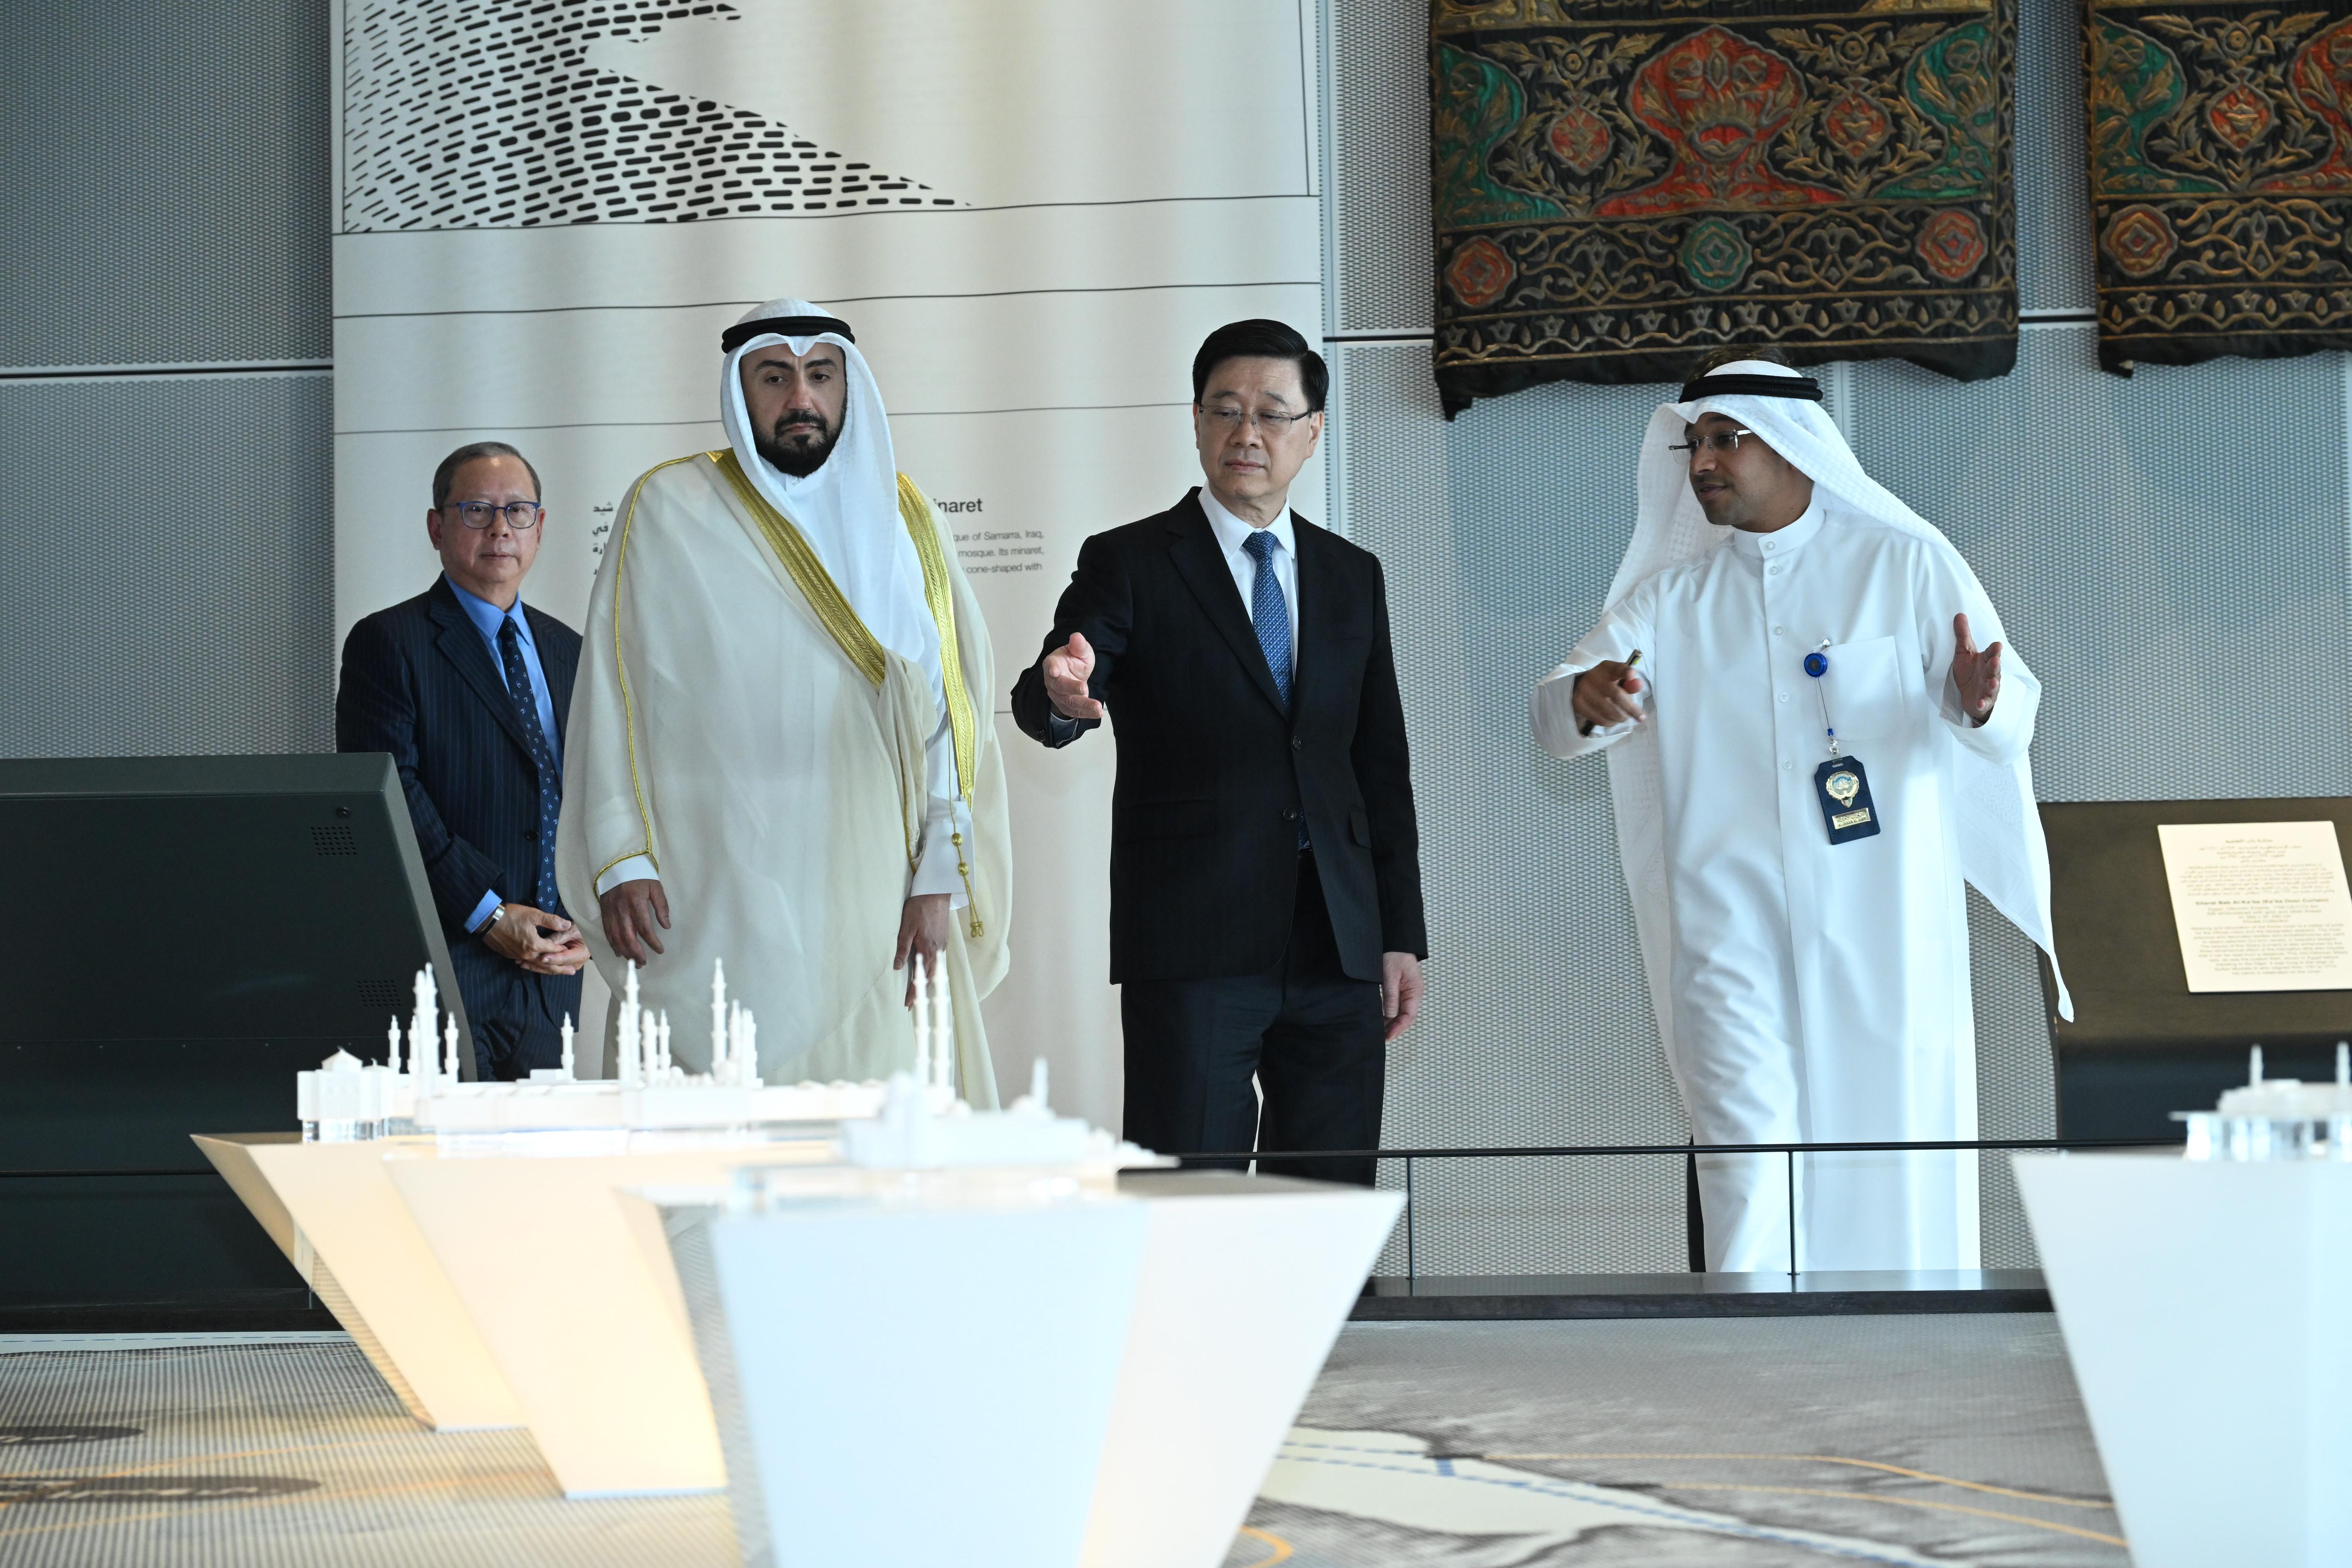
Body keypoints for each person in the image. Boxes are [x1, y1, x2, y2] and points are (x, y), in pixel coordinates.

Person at [1531, 351, 2072, 1272]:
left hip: (1883, 933)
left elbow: (2008, 705)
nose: (1701, 462)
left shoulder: (1904, 567)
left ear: (1790, 448)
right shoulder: (1670, 599)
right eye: (1692, 444)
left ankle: (1902, 1366)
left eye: (1722, 440)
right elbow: (1554, 713)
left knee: (1888, 1159)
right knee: (1746, 1161)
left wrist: (1980, 702)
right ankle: (1750, 1373)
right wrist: (1583, 701)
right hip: (1729, 937)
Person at [555, 299, 1009, 1095]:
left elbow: (948, 713)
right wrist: (620, 851)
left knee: (874, 1134)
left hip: (873, 892)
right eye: (775, 376)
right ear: (740, 387)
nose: (801, 397)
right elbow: (615, 694)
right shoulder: (666, 509)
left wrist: (939, 875)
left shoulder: (904, 518)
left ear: (847, 388)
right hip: (715, 884)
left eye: (820, 375)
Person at [1010, 319, 1427, 1185]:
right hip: (1197, 937)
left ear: (1313, 432)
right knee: (1186, 1194)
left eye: (1274, 414)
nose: (1248, 434)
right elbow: (1059, 675)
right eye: (1226, 410)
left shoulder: (1354, 574)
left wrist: (1398, 933)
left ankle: (1313, 1330)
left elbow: (1379, 763)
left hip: (1338, 940)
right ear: (1196, 422)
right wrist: (1060, 691)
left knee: (1324, 1196)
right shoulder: (1129, 560)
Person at [337, 441, 588, 1080]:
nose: (500, 528)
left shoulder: (571, 651)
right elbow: (391, 795)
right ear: (436, 527)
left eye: (518, 511)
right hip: (441, 964)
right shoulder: (389, 642)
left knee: (538, 1174)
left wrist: (589, 917)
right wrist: (490, 913)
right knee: (435, 1168)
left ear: (541, 527)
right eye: (476, 510)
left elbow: (592, 792)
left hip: (549, 978)